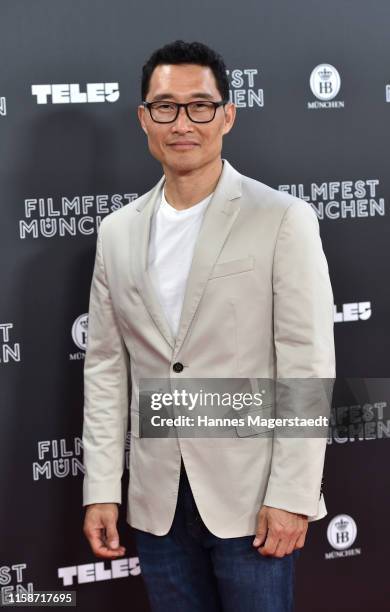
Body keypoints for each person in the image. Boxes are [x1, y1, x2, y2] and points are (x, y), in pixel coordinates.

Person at [82, 40, 335, 612]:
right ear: (144, 118)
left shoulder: (281, 218)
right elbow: (104, 368)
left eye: (200, 105)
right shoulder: (117, 232)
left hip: (252, 503)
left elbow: (306, 362)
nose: (182, 123)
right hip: (156, 503)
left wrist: (294, 494)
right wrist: (100, 488)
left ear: (228, 114)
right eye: (165, 107)